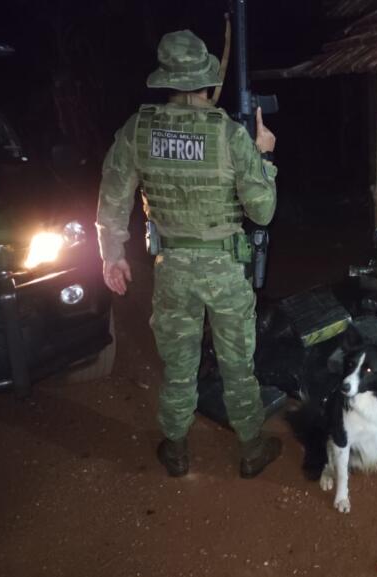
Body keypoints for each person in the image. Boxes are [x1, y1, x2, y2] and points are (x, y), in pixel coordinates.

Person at [96, 30, 281, 478]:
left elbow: (113, 195)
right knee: (238, 363)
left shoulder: (138, 129)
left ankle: (177, 449)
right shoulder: (229, 134)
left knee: (179, 364)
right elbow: (262, 211)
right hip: (224, 269)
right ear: (207, 80)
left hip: (172, 268)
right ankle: (251, 448)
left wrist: (111, 253)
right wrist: (264, 157)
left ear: (166, 79)